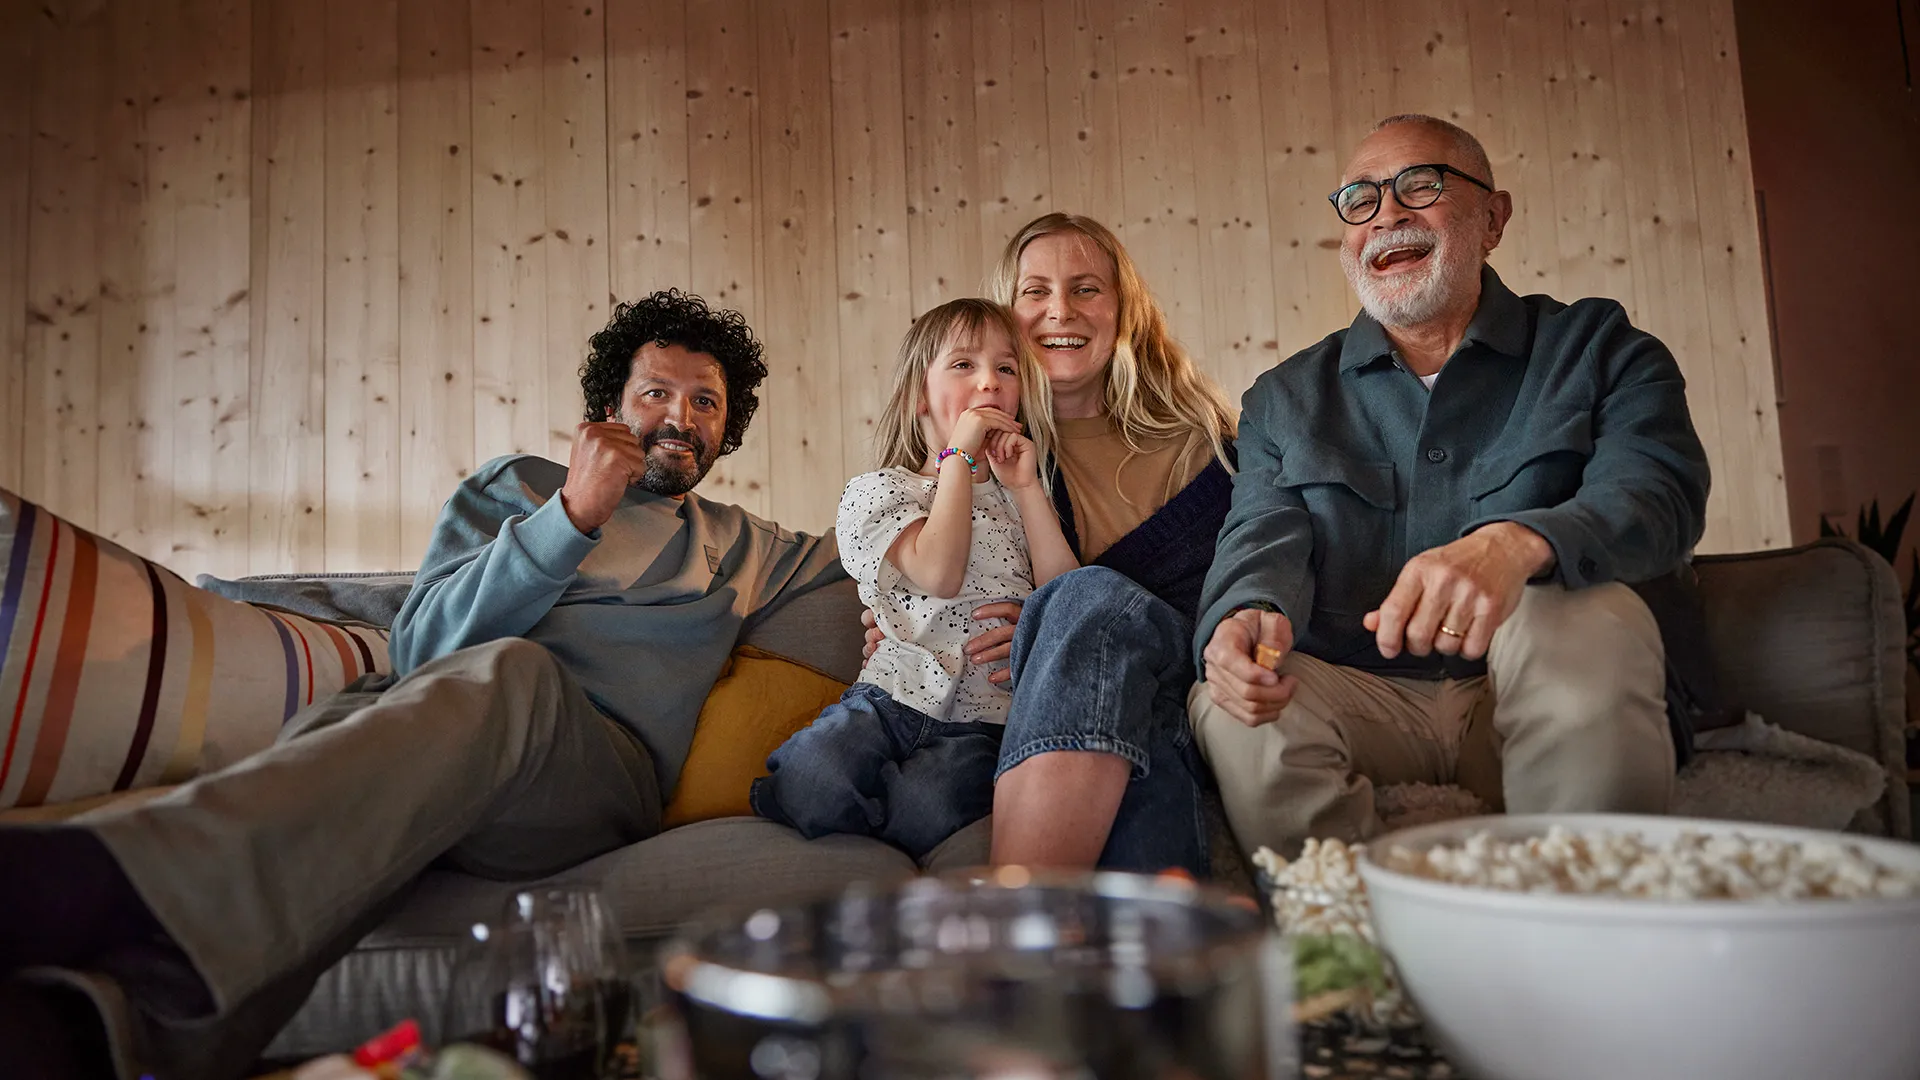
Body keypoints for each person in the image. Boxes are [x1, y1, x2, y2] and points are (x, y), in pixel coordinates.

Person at [0, 290, 845, 1079]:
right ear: (610, 407)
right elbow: (423, 647)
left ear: (728, 426)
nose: (680, 419)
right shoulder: (518, 488)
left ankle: (106, 878)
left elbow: (879, 542)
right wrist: (571, 517)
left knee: (517, 673)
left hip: (587, 782)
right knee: (351, 734)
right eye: (657, 393)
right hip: (440, 740)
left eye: (706, 402)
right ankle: (99, 1026)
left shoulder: (745, 544)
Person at [1189, 114, 1711, 856]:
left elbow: (1659, 494)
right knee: (1230, 702)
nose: (1386, 215)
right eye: (1361, 199)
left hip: (1536, 693)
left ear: (1493, 219)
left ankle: (1579, 911)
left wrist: (1517, 546)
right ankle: (1342, 921)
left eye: (1420, 185)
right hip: (1362, 699)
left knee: (1585, 616)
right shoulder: (1283, 396)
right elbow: (1261, 535)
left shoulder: (1602, 350)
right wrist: (1245, 615)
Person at [865, 213, 1240, 878]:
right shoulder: (981, 461)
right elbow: (924, 576)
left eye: (1086, 289)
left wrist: (1055, 626)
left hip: (1183, 666)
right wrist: (912, 621)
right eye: (1034, 291)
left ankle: (1023, 903)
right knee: (1111, 662)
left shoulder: (1201, 441)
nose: (1060, 310)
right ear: (1005, 315)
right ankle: (1156, 921)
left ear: (1123, 310)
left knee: (1087, 597)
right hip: (1082, 705)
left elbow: (1235, 592)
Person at [751, 299, 1076, 859]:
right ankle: (849, 810)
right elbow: (939, 573)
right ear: (918, 396)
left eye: (1006, 368)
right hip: (890, 698)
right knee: (813, 778)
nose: (989, 383)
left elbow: (1068, 598)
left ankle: (885, 821)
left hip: (984, 721)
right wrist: (957, 458)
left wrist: (1026, 488)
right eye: (964, 365)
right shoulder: (881, 491)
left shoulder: (1020, 497)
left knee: (932, 809)